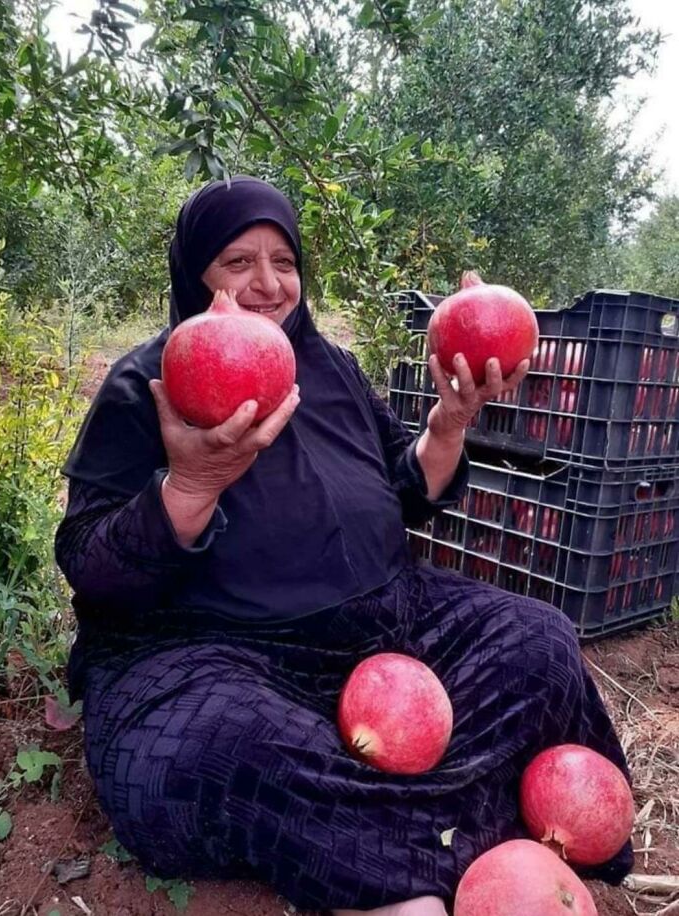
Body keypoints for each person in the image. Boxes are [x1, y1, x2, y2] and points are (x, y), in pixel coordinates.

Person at [55, 175, 633, 915]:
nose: (267, 284)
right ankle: (434, 845)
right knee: (229, 748)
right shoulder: (149, 381)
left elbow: (406, 485)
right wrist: (192, 486)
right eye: (238, 263)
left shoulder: (331, 367)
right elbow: (89, 561)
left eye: (284, 261)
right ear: (194, 274)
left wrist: (451, 424)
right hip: (219, 652)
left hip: (387, 625)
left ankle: (396, 834)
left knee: (539, 640)